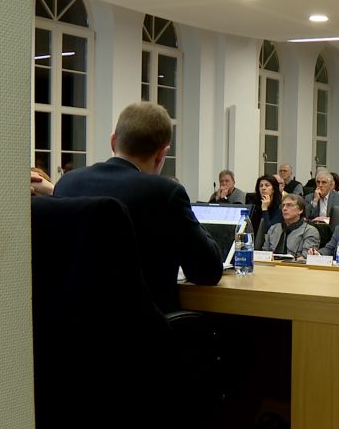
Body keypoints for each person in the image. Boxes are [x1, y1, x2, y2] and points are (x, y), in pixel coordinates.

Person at [54, 101, 222, 313]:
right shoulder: (164, 193)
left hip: (73, 329)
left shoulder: (67, 183)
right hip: (142, 335)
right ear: (162, 154)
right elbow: (207, 271)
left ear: (113, 141)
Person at [262, 193, 320, 259]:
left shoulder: (310, 231)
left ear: (300, 210)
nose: (284, 208)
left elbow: (307, 257)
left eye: (289, 205)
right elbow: (264, 252)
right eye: (283, 205)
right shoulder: (273, 228)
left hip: (295, 267)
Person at [250, 174, 283, 243]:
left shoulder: (280, 208)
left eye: (267, 185)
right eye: (261, 186)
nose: (263, 188)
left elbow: (269, 231)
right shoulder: (255, 206)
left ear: (273, 189)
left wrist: (265, 210)